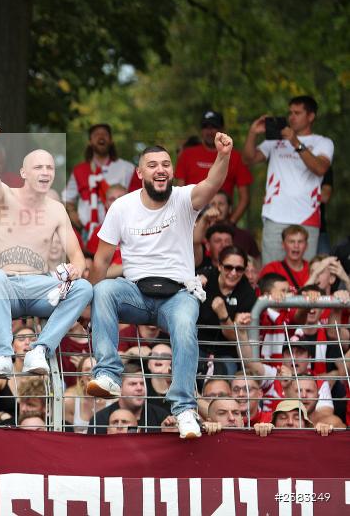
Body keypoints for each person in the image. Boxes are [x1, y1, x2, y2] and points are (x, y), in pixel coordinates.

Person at [87, 131, 235, 440]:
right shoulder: (122, 207)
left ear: (172, 171)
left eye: (166, 164)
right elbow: (100, 262)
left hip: (178, 294)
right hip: (136, 293)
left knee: (184, 323)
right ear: (140, 173)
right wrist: (86, 305)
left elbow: (212, 183)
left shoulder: (183, 198)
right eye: (152, 165)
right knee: (103, 290)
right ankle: (108, 374)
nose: (160, 169)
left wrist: (223, 155)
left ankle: (184, 409)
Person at [0, 121, 93, 378]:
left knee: (84, 287)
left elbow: (77, 256)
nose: (45, 172)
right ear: (23, 173)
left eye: (50, 167)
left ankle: (40, 350)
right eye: (38, 167)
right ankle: (3, 355)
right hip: (7, 286)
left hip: (42, 287)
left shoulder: (57, 209)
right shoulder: (4, 196)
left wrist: (75, 269)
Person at [243, 96, 333, 264]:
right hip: (274, 216)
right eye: (290, 113)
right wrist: (253, 133)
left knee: (305, 274)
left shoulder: (323, 142)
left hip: (307, 216)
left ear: (311, 116)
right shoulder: (275, 141)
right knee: (271, 272)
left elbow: (320, 168)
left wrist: (295, 142)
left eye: (297, 113)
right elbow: (248, 159)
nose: (291, 117)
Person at [64, 123, 138, 242]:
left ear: (111, 140)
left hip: (120, 231)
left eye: (105, 134)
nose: (101, 137)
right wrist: (72, 212)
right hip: (87, 232)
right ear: (90, 142)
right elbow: (67, 198)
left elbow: (139, 198)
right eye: (96, 135)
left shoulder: (127, 168)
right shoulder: (79, 170)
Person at [175, 110, 252, 222]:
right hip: (192, 220)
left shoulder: (234, 156)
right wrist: (183, 220)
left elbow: (244, 198)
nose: (209, 131)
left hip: (221, 222)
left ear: (222, 130)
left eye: (214, 127)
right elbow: (179, 194)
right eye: (205, 127)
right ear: (201, 130)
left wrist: (231, 223)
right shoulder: (187, 154)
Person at [197, 246, 256, 375]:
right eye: (228, 267)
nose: (233, 273)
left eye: (239, 269)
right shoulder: (206, 278)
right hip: (197, 346)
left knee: (223, 379)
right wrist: (196, 282)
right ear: (219, 266)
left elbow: (236, 337)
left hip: (227, 352)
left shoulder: (247, 293)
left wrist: (223, 315)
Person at [87, 363, 171, 434]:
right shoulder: (100, 420)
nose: (139, 388)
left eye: (142, 383)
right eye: (133, 384)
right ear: (119, 388)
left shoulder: (161, 417)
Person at [258, 225, 311, 291]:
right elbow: (263, 294)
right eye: (291, 241)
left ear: (306, 246)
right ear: (283, 245)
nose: (296, 246)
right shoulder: (272, 269)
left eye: (300, 242)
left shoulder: (312, 269)